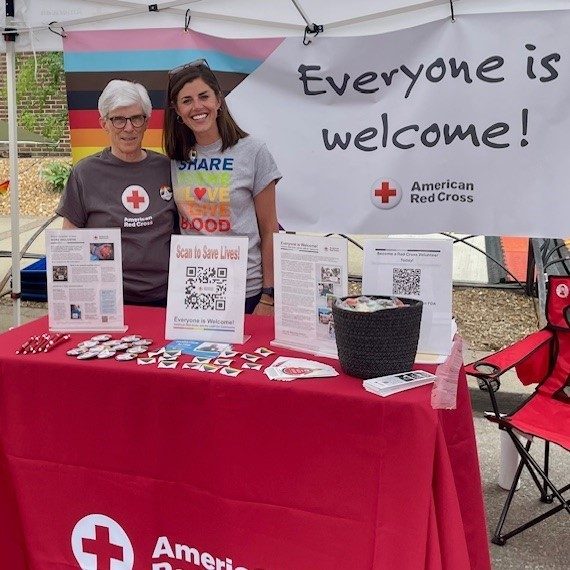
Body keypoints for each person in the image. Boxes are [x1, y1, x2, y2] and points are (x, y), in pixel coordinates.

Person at [164, 59, 281, 315]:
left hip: (247, 292)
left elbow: (270, 229)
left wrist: (268, 296)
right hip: (194, 289)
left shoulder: (253, 151)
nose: (197, 107)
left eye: (204, 96)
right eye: (187, 101)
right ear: (177, 111)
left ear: (218, 100)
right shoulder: (174, 158)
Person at [57, 80, 177, 306]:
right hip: (107, 300)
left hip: (167, 298)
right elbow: (68, 243)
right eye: (118, 120)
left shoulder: (168, 168)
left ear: (147, 122)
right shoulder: (85, 173)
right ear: (104, 124)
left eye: (136, 118)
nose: (129, 128)